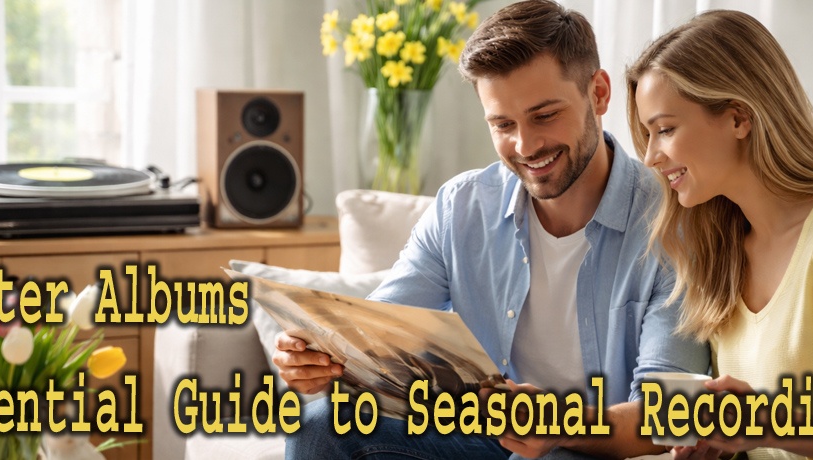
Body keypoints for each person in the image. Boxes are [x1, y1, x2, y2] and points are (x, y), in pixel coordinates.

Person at [273, 1, 709, 458]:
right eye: (503, 124)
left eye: (544, 115)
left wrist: (558, 425)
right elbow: (377, 336)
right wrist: (320, 355)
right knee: (321, 423)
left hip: (594, 445)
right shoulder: (462, 208)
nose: (526, 145)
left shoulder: (672, 219)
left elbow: (671, 414)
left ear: (599, 93)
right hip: (485, 440)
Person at [626, 9, 813, 460]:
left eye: (665, 129)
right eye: (647, 134)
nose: (651, 157)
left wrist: (771, 424)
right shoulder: (723, 251)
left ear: (739, 118)